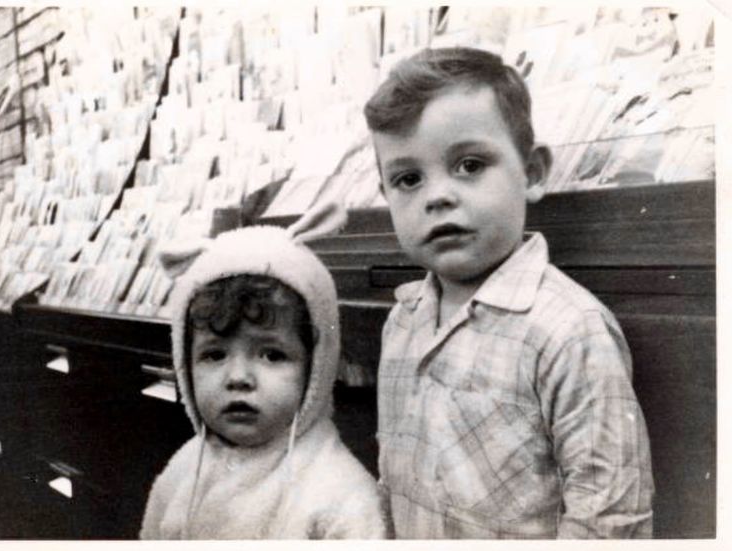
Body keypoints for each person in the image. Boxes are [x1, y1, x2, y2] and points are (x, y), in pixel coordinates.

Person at [364, 47, 654, 539]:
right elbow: (393, 486)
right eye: (408, 179)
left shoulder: (568, 330)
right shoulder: (404, 319)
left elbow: (609, 519)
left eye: (470, 165)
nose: (437, 196)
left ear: (533, 172)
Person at [139, 205, 387, 539]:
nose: (238, 377)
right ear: (185, 362)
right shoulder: (182, 473)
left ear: (317, 365)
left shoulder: (342, 499)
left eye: (271, 355)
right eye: (214, 354)